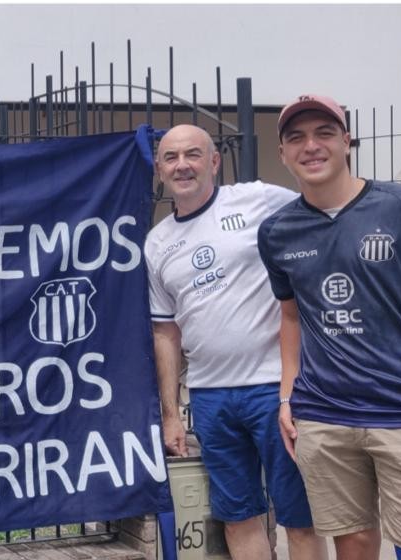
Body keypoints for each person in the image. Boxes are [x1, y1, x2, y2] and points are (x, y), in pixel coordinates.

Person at [258, 94, 401, 560]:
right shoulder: (277, 231)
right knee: (354, 543)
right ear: (282, 154)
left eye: (324, 133)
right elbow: (291, 315)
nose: (311, 146)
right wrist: (287, 393)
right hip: (324, 416)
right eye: (296, 138)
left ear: (347, 142)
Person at [145, 124, 327, 560]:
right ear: (159, 169)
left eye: (193, 154)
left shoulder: (258, 199)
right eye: (171, 158)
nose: (182, 165)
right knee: (237, 516)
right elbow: (165, 332)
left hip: (276, 390)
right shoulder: (157, 243)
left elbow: (319, 216)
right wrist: (171, 414)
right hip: (210, 397)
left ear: (214, 162)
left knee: (299, 518)